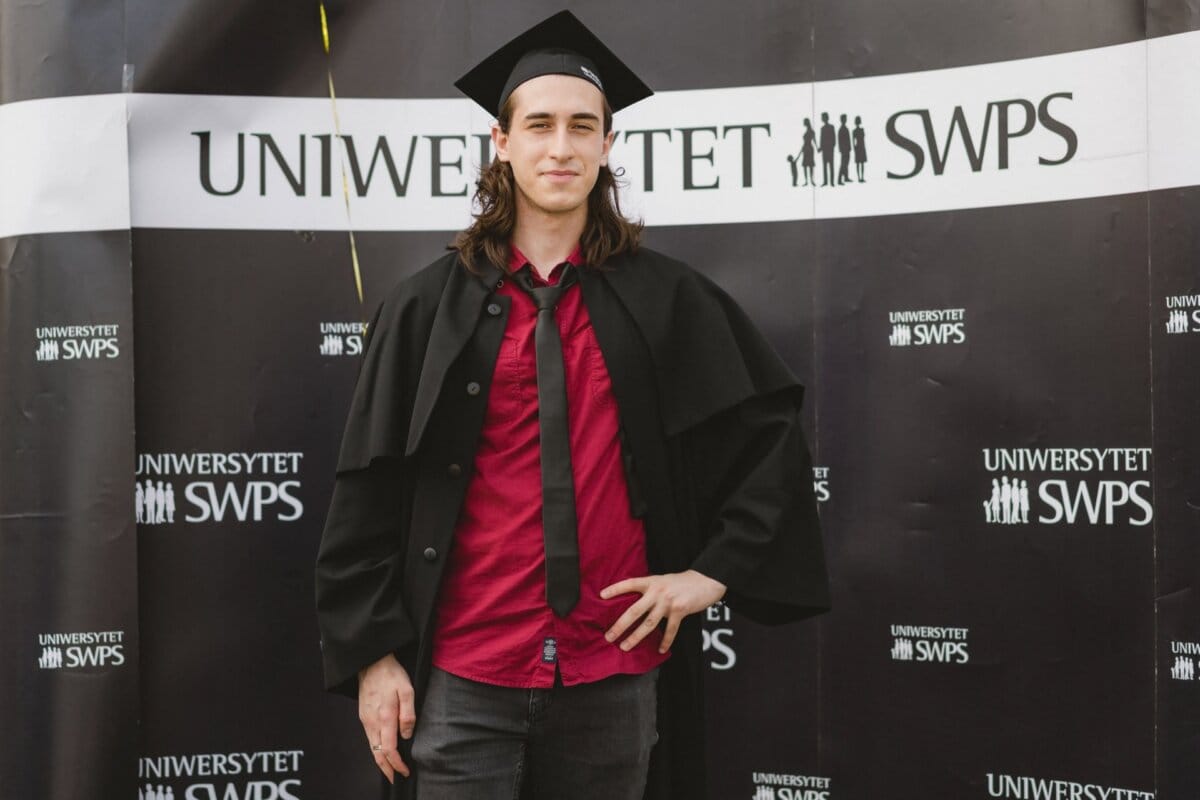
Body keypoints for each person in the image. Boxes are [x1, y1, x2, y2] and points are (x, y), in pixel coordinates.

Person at [314, 10, 829, 800]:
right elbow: (367, 492)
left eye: (582, 127)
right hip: (463, 680)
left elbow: (770, 443)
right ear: (503, 142)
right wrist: (373, 656)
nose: (561, 147)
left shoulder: (672, 301)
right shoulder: (424, 311)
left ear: (607, 146)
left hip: (613, 676)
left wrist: (711, 575)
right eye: (541, 125)